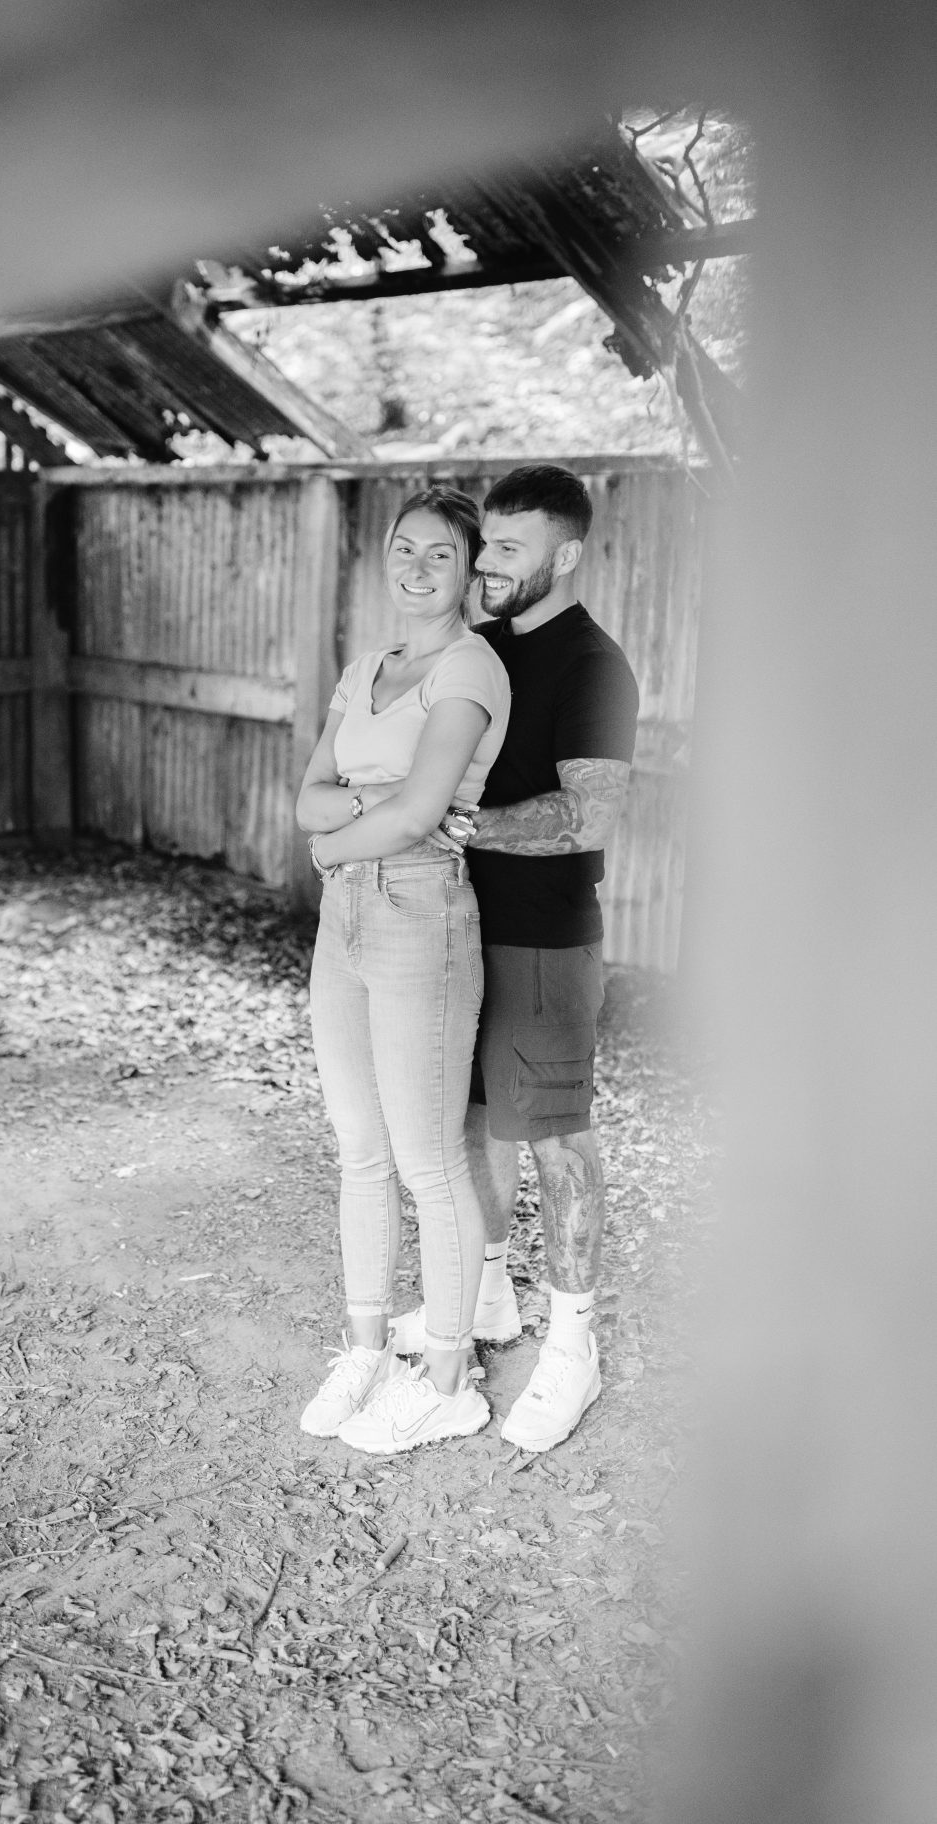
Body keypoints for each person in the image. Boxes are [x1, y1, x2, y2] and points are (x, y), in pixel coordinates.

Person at [390, 465, 639, 1453]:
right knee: (473, 1124)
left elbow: (591, 811)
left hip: (543, 939)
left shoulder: (593, 665)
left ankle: (573, 1348)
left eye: (508, 546)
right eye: (483, 541)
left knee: (557, 1140)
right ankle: (488, 1291)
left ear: (566, 554)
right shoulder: (480, 649)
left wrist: (464, 824)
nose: (484, 563)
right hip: (459, 930)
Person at [295, 486, 511, 1454]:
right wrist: (350, 815)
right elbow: (304, 796)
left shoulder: (471, 669)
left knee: (428, 1158)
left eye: (439, 554)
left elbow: (423, 809)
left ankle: (450, 1379)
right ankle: (367, 1349)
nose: (417, 568)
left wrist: (347, 825)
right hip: (343, 916)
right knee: (360, 1148)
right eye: (403, 549)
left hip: (420, 911)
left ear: (469, 571)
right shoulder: (365, 667)